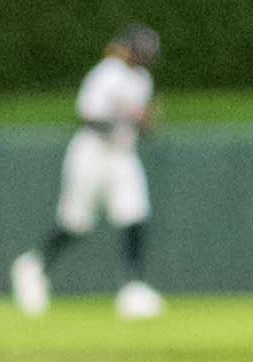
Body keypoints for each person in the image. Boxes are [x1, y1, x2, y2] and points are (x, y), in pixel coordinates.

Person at [11, 24, 162, 320]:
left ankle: (134, 289)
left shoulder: (143, 80)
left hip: (122, 154)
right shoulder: (106, 74)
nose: (145, 58)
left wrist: (144, 124)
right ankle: (33, 266)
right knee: (75, 222)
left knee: (135, 215)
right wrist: (129, 120)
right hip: (92, 153)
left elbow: (139, 126)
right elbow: (88, 117)